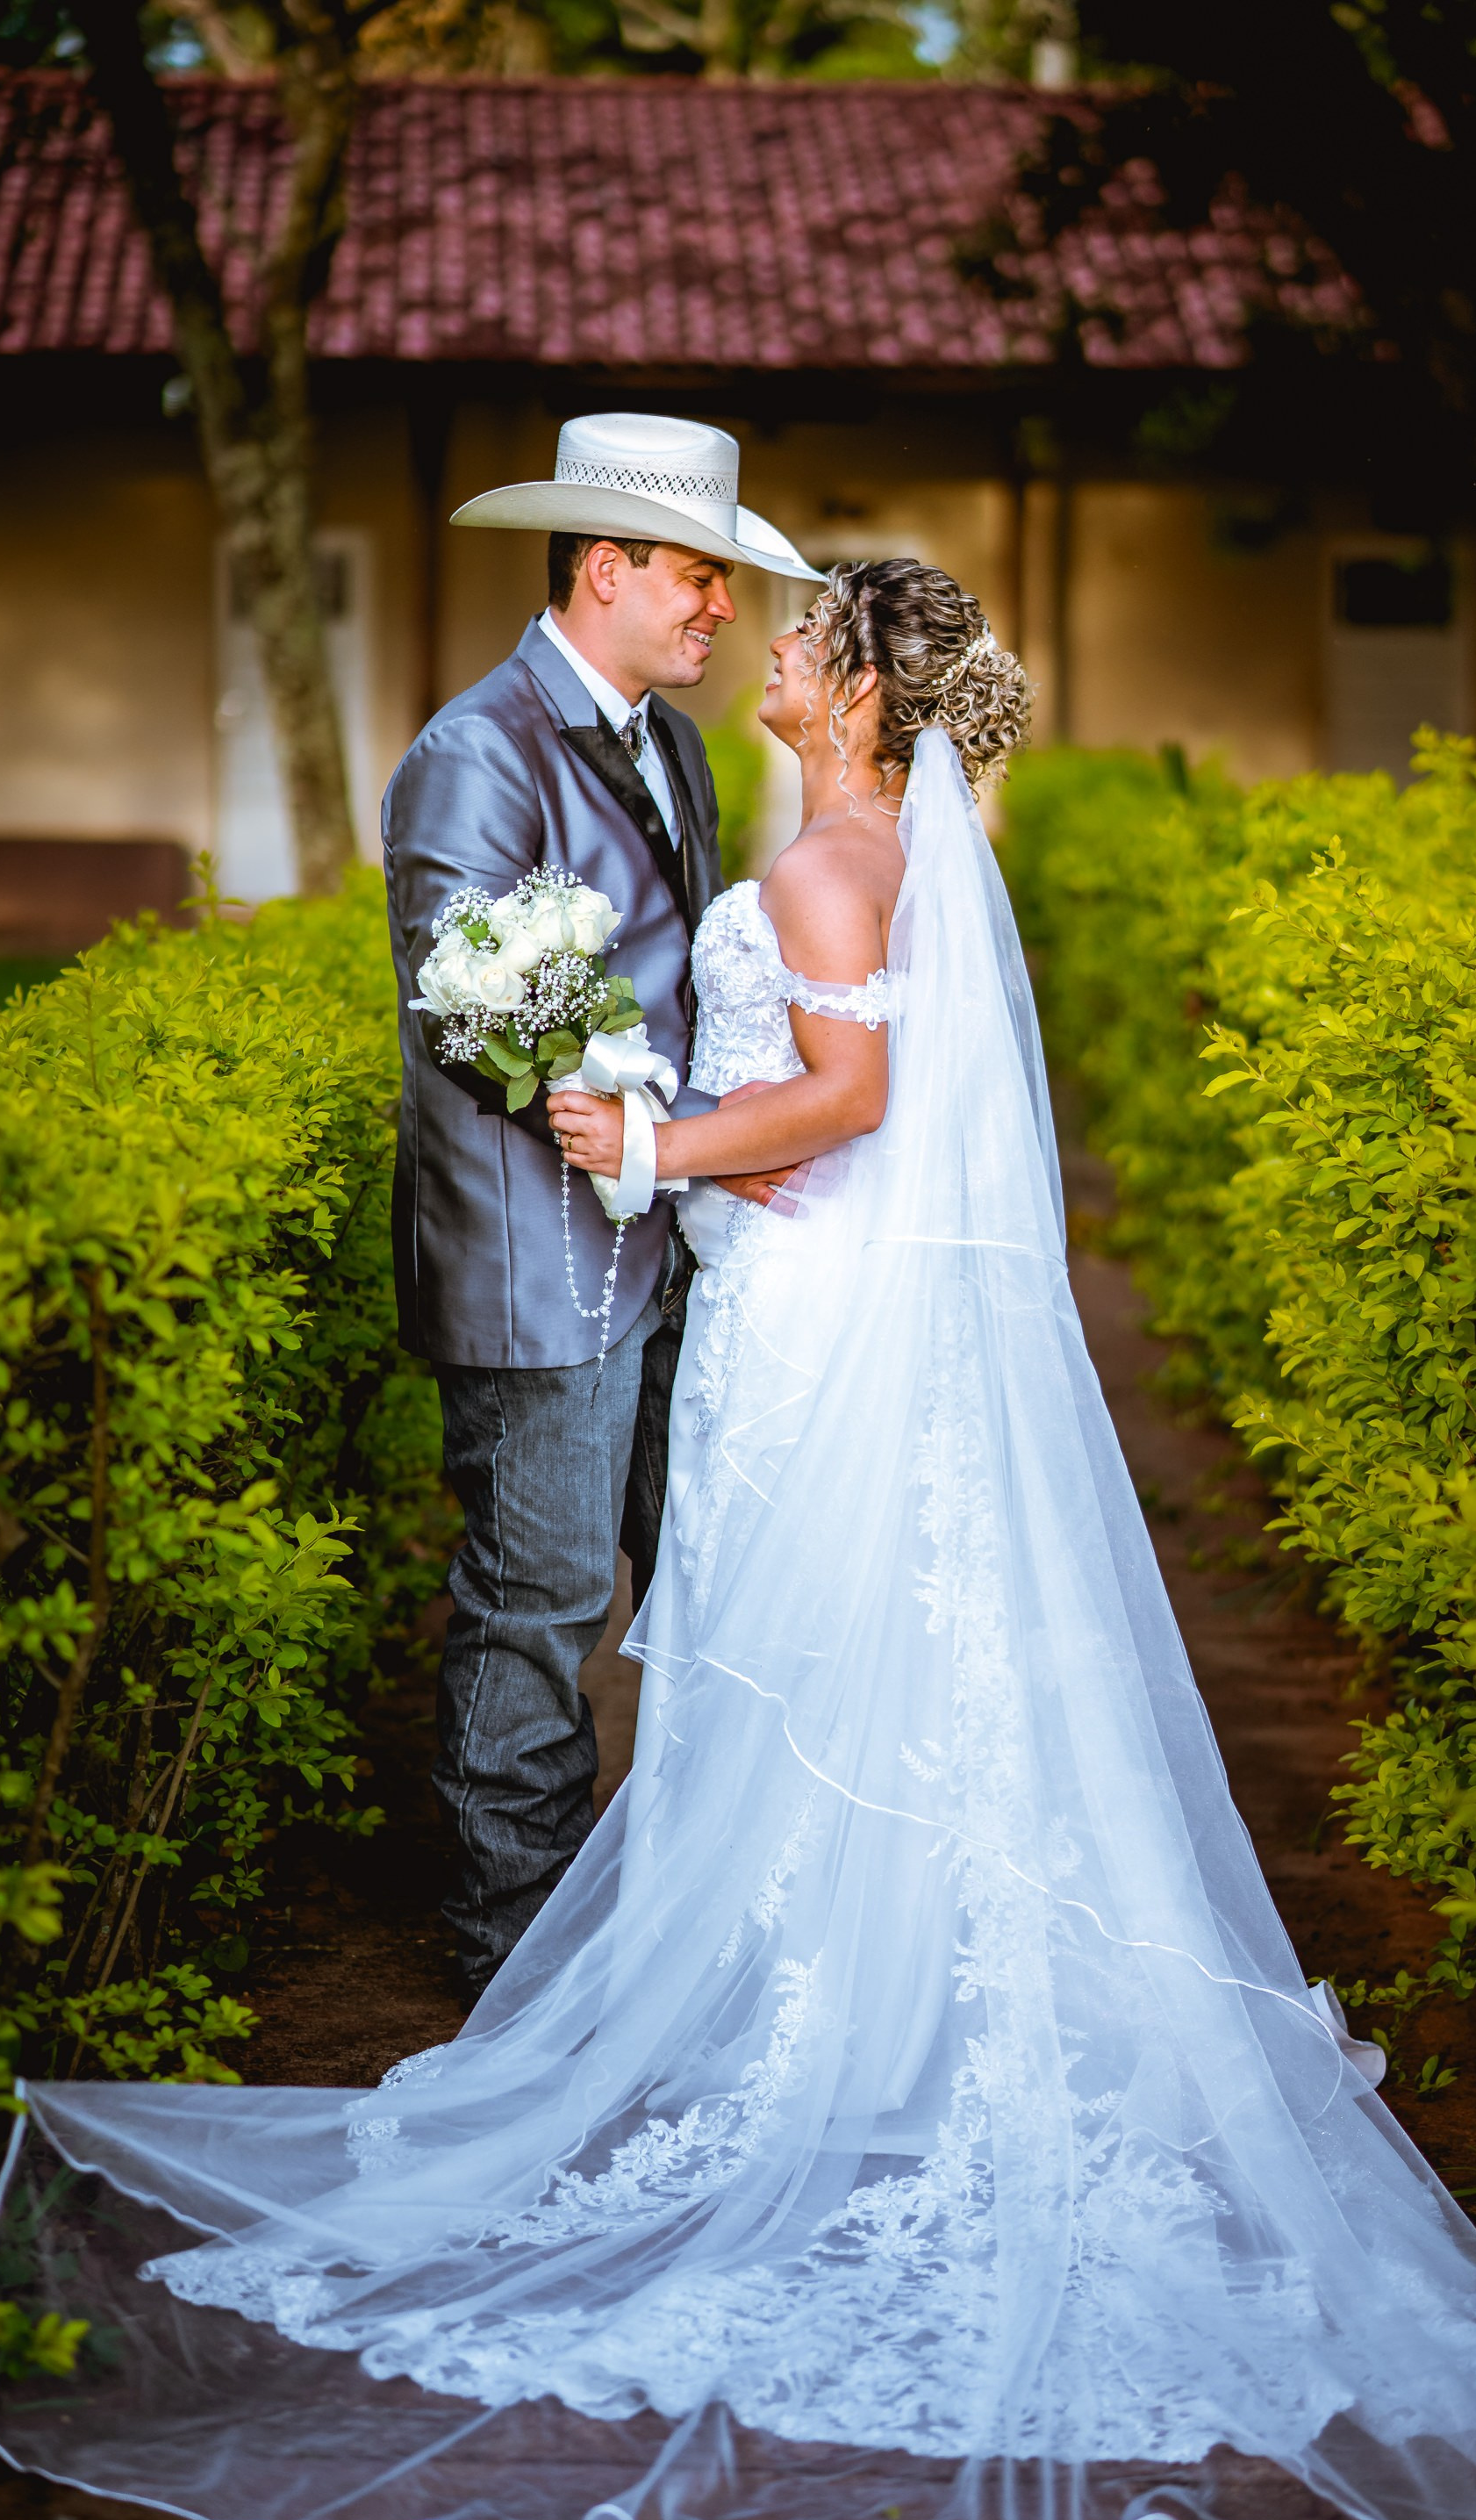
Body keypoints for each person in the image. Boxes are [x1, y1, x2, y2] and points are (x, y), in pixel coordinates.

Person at [0, 564, 1476, 2520]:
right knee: (858, 1656)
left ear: (857, 688)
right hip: (803, 1297)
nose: (765, 643)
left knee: (811, 1647)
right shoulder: (861, 850)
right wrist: (698, 1130)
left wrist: (655, 1145)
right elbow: (844, 1094)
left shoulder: (833, 868)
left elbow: (851, 1101)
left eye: (801, 631)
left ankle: (811, 2018)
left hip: (808, 1314)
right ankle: (831, 1998)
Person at [381, 411, 823, 2004]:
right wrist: (686, 1139)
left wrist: (712, 1146)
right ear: (605, 569)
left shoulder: (677, 747)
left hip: (676, 1246)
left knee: (702, 1581)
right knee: (541, 1605)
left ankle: (681, 1935)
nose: (723, 610)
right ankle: (513, 1972)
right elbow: (476, 1008)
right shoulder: (475, 750)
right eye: (699, 577)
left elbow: (678, 991)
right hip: (536, 1258)